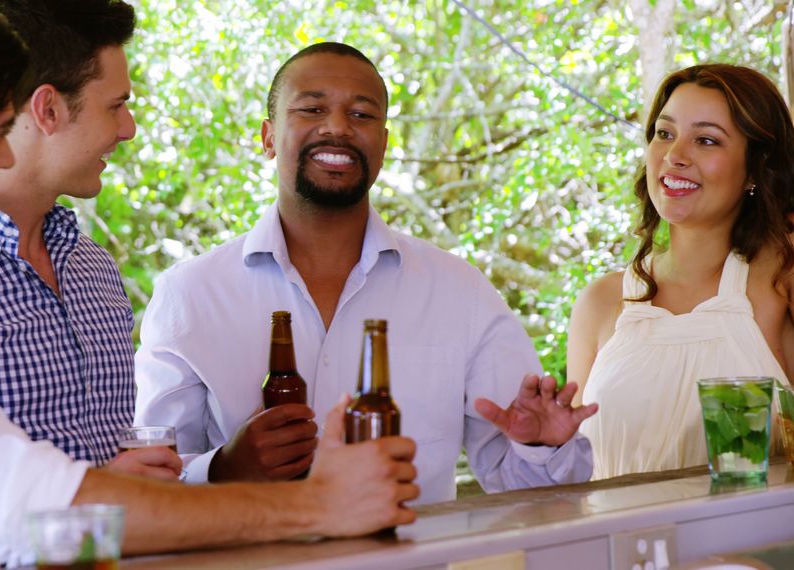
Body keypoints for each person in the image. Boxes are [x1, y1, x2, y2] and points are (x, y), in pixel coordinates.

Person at [0, 4, 420, 568]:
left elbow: (24, 535)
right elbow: (20, 508)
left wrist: (129, 495)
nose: (3, 156)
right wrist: (319, 508)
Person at [134, 42, 597, 503]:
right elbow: (147, 487)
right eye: (312, 108)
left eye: (361, 115)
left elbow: (530, 491)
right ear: (269, 136)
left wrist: (540, 445)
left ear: (384, 143)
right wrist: (224, 468)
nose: (337, 127)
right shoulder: (190, 294)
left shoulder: (461, 293)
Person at [0, 0, 163, 477]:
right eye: (116, 106)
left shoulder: (93, 268)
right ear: (48, 108)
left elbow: (120, 460)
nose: (129, 129)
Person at [568, 64, 794, 479]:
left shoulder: (778, 287)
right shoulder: (601, 302)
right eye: (664, 133)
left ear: (756, 169)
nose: (674, 156)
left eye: (706, 140)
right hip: (617, 543)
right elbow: (570, 475)